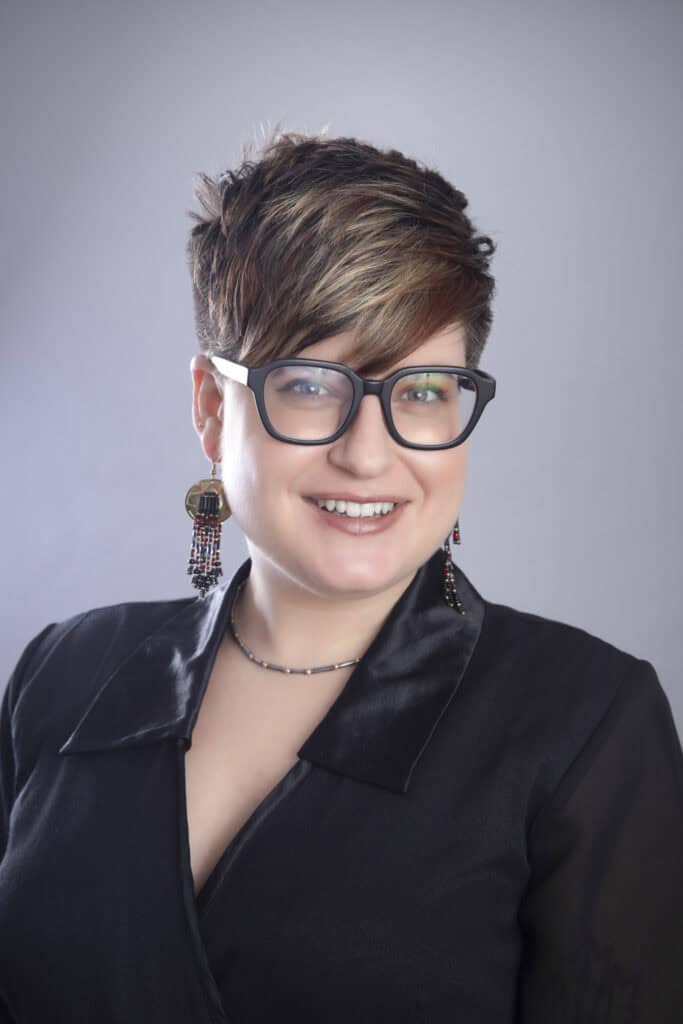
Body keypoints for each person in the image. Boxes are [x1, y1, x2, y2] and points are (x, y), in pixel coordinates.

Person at [1, 129, 682, 1024]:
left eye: (425, 390)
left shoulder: (586, 723)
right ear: (213, 407)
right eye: (312, 385)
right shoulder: (67, 672)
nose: (370, 456)